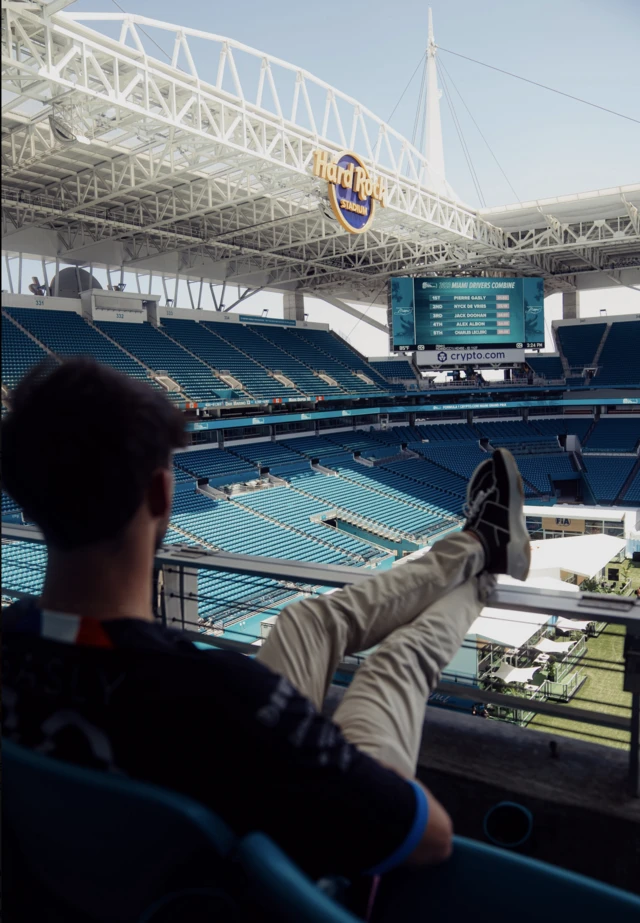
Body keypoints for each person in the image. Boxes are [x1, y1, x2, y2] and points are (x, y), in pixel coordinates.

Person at [2, 360, 530, 897]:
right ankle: (483, 566)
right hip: (294, 886)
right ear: (163, 496)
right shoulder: (221, 697)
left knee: (306, 619)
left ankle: (478, 545)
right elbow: (432, 838)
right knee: (392, 665)